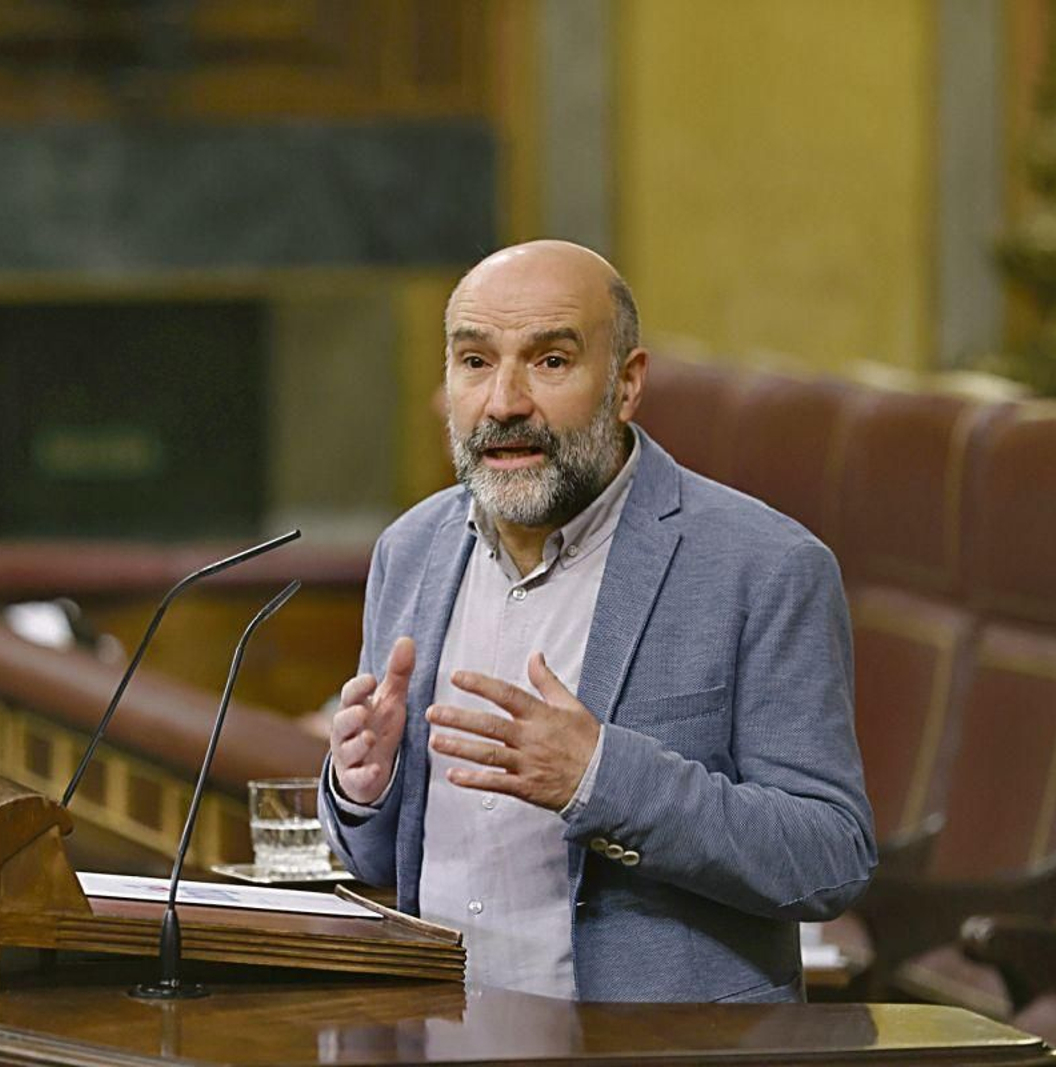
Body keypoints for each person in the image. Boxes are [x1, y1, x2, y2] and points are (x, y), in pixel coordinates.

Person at [320, 240, 876, 1004]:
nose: (504, 402)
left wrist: (598, 778)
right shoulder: (410, 549)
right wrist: (364, 788)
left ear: (626, 384)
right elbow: (380, 859)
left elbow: (828, 857)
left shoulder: (766, 566)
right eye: (475, 362)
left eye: (550, 361)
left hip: (661, 1051)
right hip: (436, 1034)